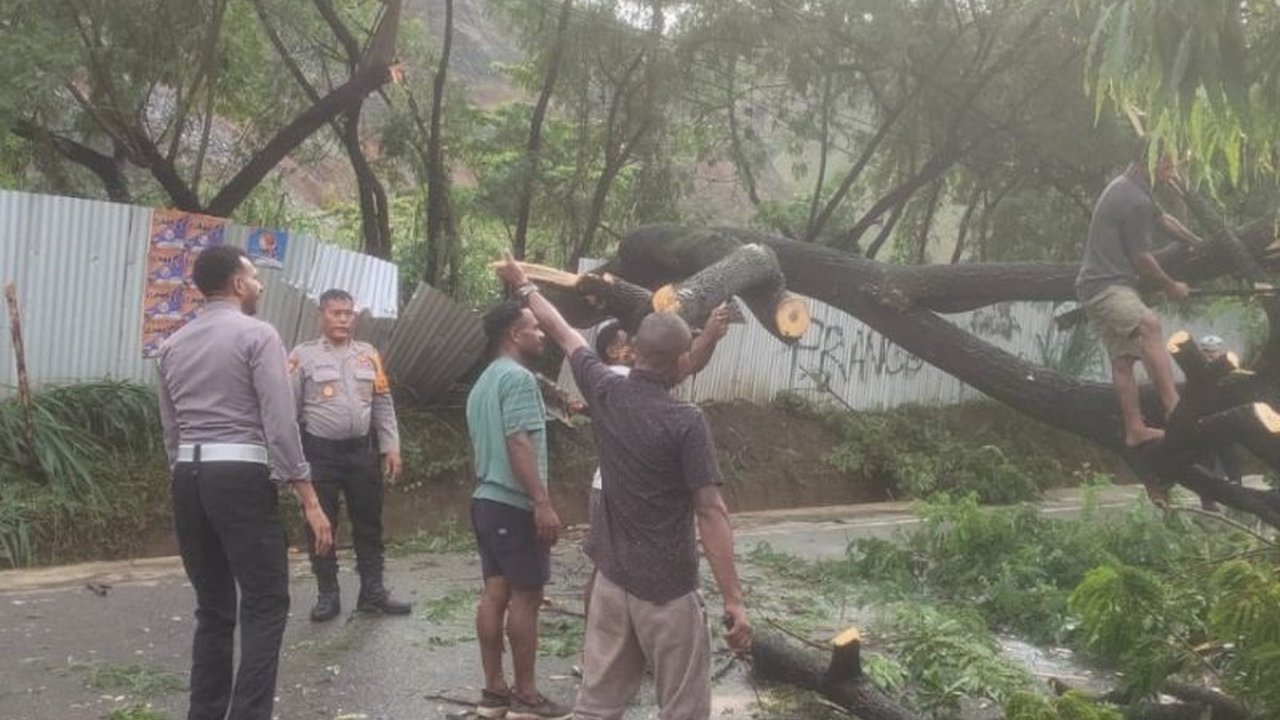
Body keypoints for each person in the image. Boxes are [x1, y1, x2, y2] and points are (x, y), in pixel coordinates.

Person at [494, 253, 752, 720]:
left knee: (596, 707)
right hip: (667, 593)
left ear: (634, 350)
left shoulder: (606, 391)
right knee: (682, 710)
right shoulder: (686, 422)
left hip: (611, 584)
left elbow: (562, 331)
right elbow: (711, 512)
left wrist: (521, 284)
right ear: (682, 361)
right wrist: (733, 598)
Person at [156, 245, 332, 720]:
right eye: (254, 277)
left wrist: (189, 475)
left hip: (188, 478)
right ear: (237, 284)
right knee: (266, 601)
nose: (259, 285)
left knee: (213, 608)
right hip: (238, 475)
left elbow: (171, 431)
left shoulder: (172, 345)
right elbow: (279, 422)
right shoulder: (258, 335)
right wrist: (309, 497)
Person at [465, 300, 572, 720]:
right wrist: (541, 503)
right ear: (514, 334)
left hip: (485, 500)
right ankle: (526, 693)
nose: (541, 334)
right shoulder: (519, 380)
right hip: (513, 503)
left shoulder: (482, 383)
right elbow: (518, 441)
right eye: (534, 328)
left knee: (495, 593)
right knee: (526, 598)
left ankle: (495, 690)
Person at [288, 288, 410, 622]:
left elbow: (383, 402)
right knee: (321, 526)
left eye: (348, 313)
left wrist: (391, 446)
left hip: (361, 453)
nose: (343, 319)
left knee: (369, 523)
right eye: (335, 313)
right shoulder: (303, 356)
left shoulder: (368, 354)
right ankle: (328, 595)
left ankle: (372, 593)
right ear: (322, 315)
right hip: (320, 453)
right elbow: (289, 410)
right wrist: (294, 461)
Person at [1076, 141, 1201, 449]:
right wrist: (1171, 285)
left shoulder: (1133, 187)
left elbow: (1165, 221)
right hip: (1107, 287)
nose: (1171, 173)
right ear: (1150, 161)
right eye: (1168, 166)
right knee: (1149, 324)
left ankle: (1135, 429)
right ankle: (1173, 405)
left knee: (1123, 360)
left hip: (1096, 285)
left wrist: (1197, 241)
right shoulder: (1134, 199)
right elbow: (1141, 258)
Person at [1194, 334, 1245, 511]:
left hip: (1226, 424)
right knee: (1205, 464)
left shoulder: (1230, 371)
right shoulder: (1195, 371)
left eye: (1213, 351)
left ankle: (1238, 501)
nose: (1210, 355)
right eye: (1206, 351)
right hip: (1204, 425)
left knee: (1232, 462)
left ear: (1220, 352)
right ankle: (1207, 502)